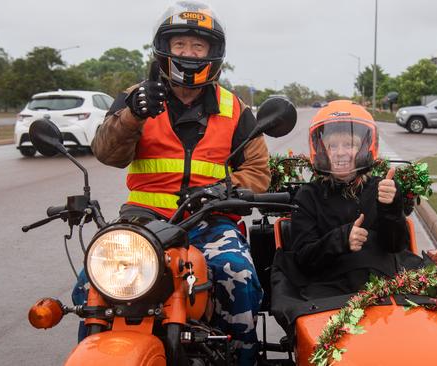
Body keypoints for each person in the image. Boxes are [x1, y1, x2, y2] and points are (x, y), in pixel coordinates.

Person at [90, 2, 269, 364]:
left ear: (212, 53)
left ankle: (241, 358)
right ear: (164, 49)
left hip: (211, 220)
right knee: (94, 282)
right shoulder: (136, 96)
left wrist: (223, 190)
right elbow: (106, 153)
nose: (189, 53)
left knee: (240, 276)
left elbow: (259, 171)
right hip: (143, 219)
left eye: (198, 46)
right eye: (180, 45)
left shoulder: (234, 109)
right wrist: (131, 116)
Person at [288, 100, 410, 298]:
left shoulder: (381, 188)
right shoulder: (309, 196)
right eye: (332, 145)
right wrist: (341, 239)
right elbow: (303, 259)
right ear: (321, 150)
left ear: (364, 148)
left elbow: (395, 246)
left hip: (383, 289)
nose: (340, 152)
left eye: (349, 144)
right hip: (329, 293)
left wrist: (391, 208)